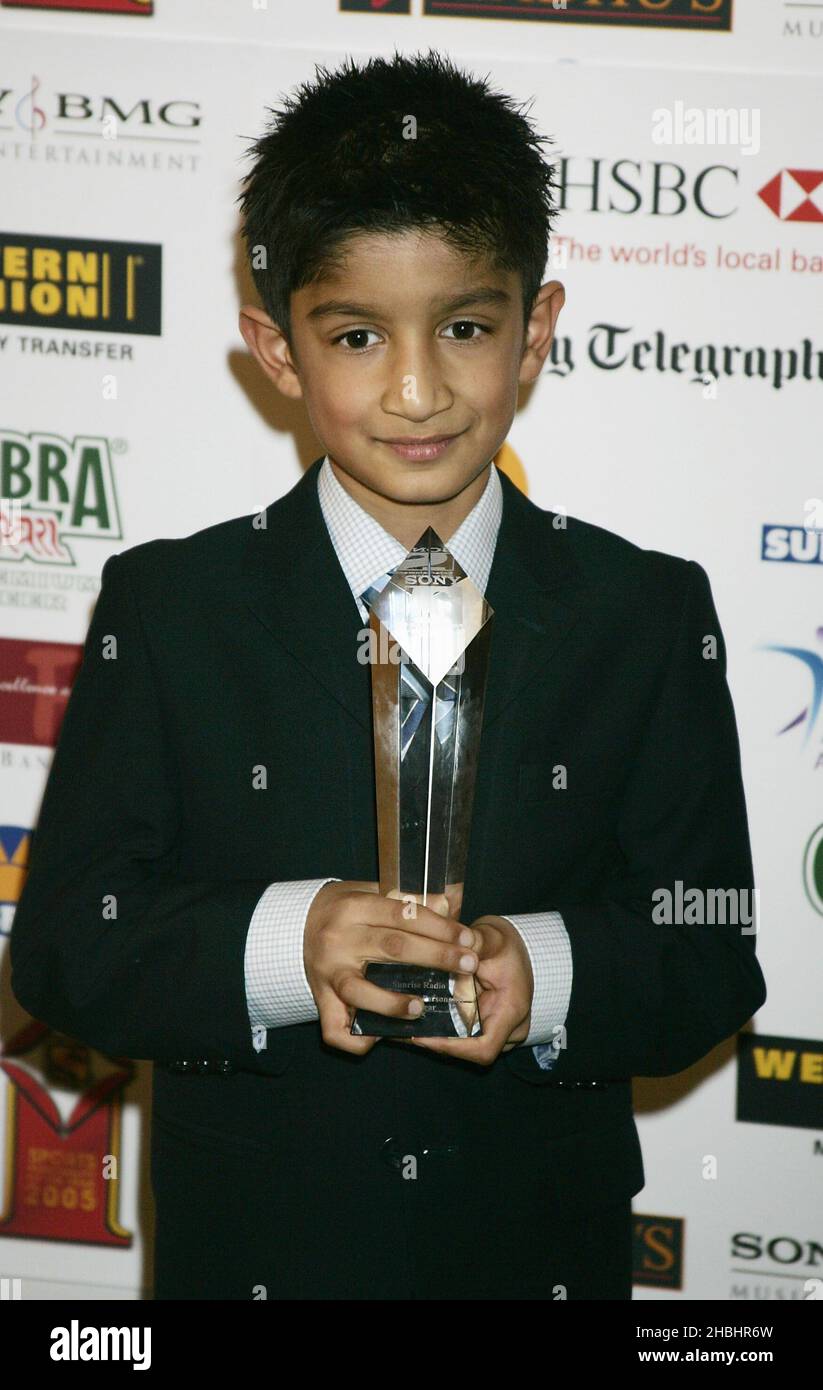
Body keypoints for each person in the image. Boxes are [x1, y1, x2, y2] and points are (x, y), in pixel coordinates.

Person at [9, 49, 766, 1301]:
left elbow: (709, 950)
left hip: (536, 1253)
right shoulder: (171, 607)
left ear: (536, 332)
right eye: (357, 334)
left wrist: (546, 971)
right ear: (275, 347)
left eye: (466, 327)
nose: (418, 388)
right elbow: (66, 952)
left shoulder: (643, 612)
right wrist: (283, 941)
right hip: (257, 1255)